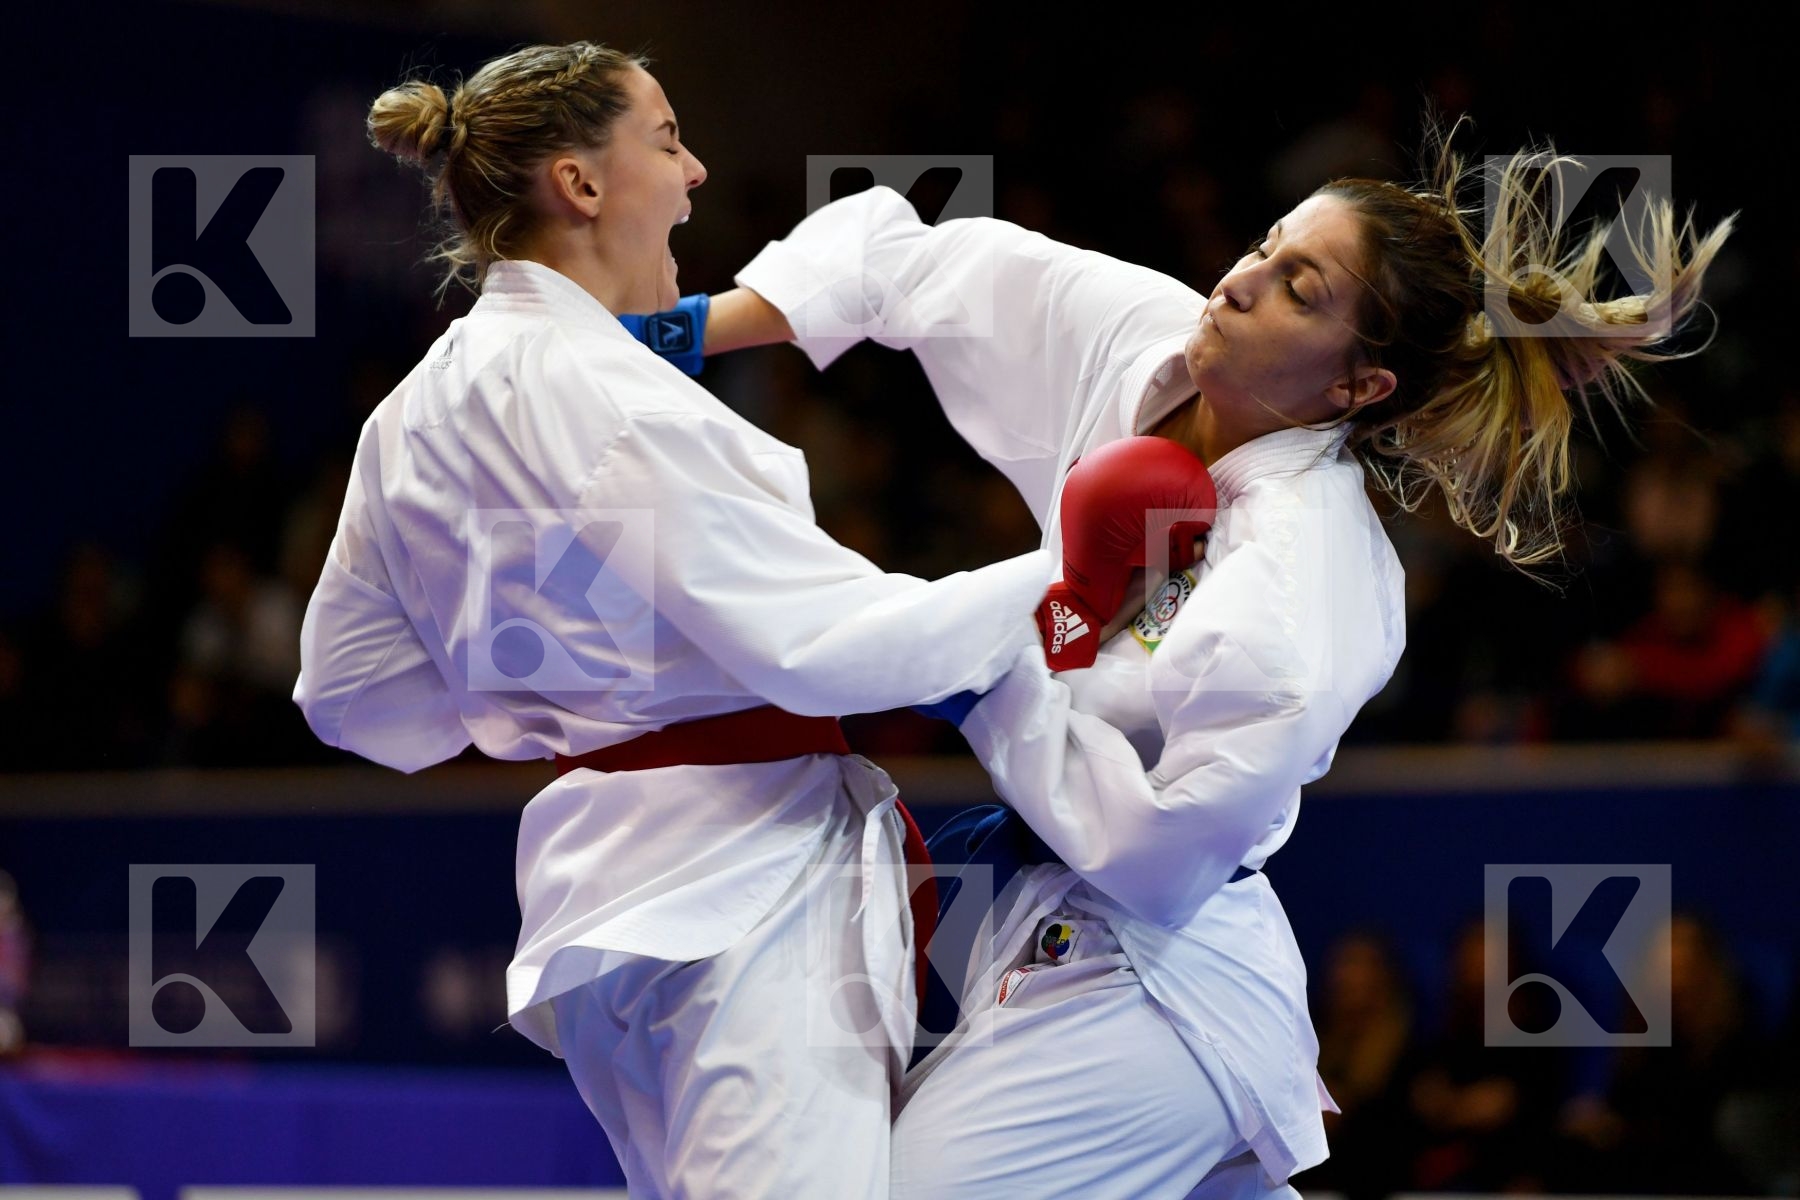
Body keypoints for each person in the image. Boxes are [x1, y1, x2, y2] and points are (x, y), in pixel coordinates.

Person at [678, 117, 1734, 1195]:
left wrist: (998, 669)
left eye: (1298, 291)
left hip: (1154, 984)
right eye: (1267, 246)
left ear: (1358, 387)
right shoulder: (1149, 339)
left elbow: (1163, 855)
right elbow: (920, 268)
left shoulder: (1307, 571)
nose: (1242, 282)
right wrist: (686, 329)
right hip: (1055, 928)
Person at [294, 41, 1058, 1197]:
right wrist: (1081, 572)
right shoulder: (605, 392)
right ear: (580, 183)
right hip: (741, 889)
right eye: (665, 141)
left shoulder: (414, 411)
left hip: (609, 890)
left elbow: (349, 693)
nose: (696, 172)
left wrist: (552, 689)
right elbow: (827, 645)